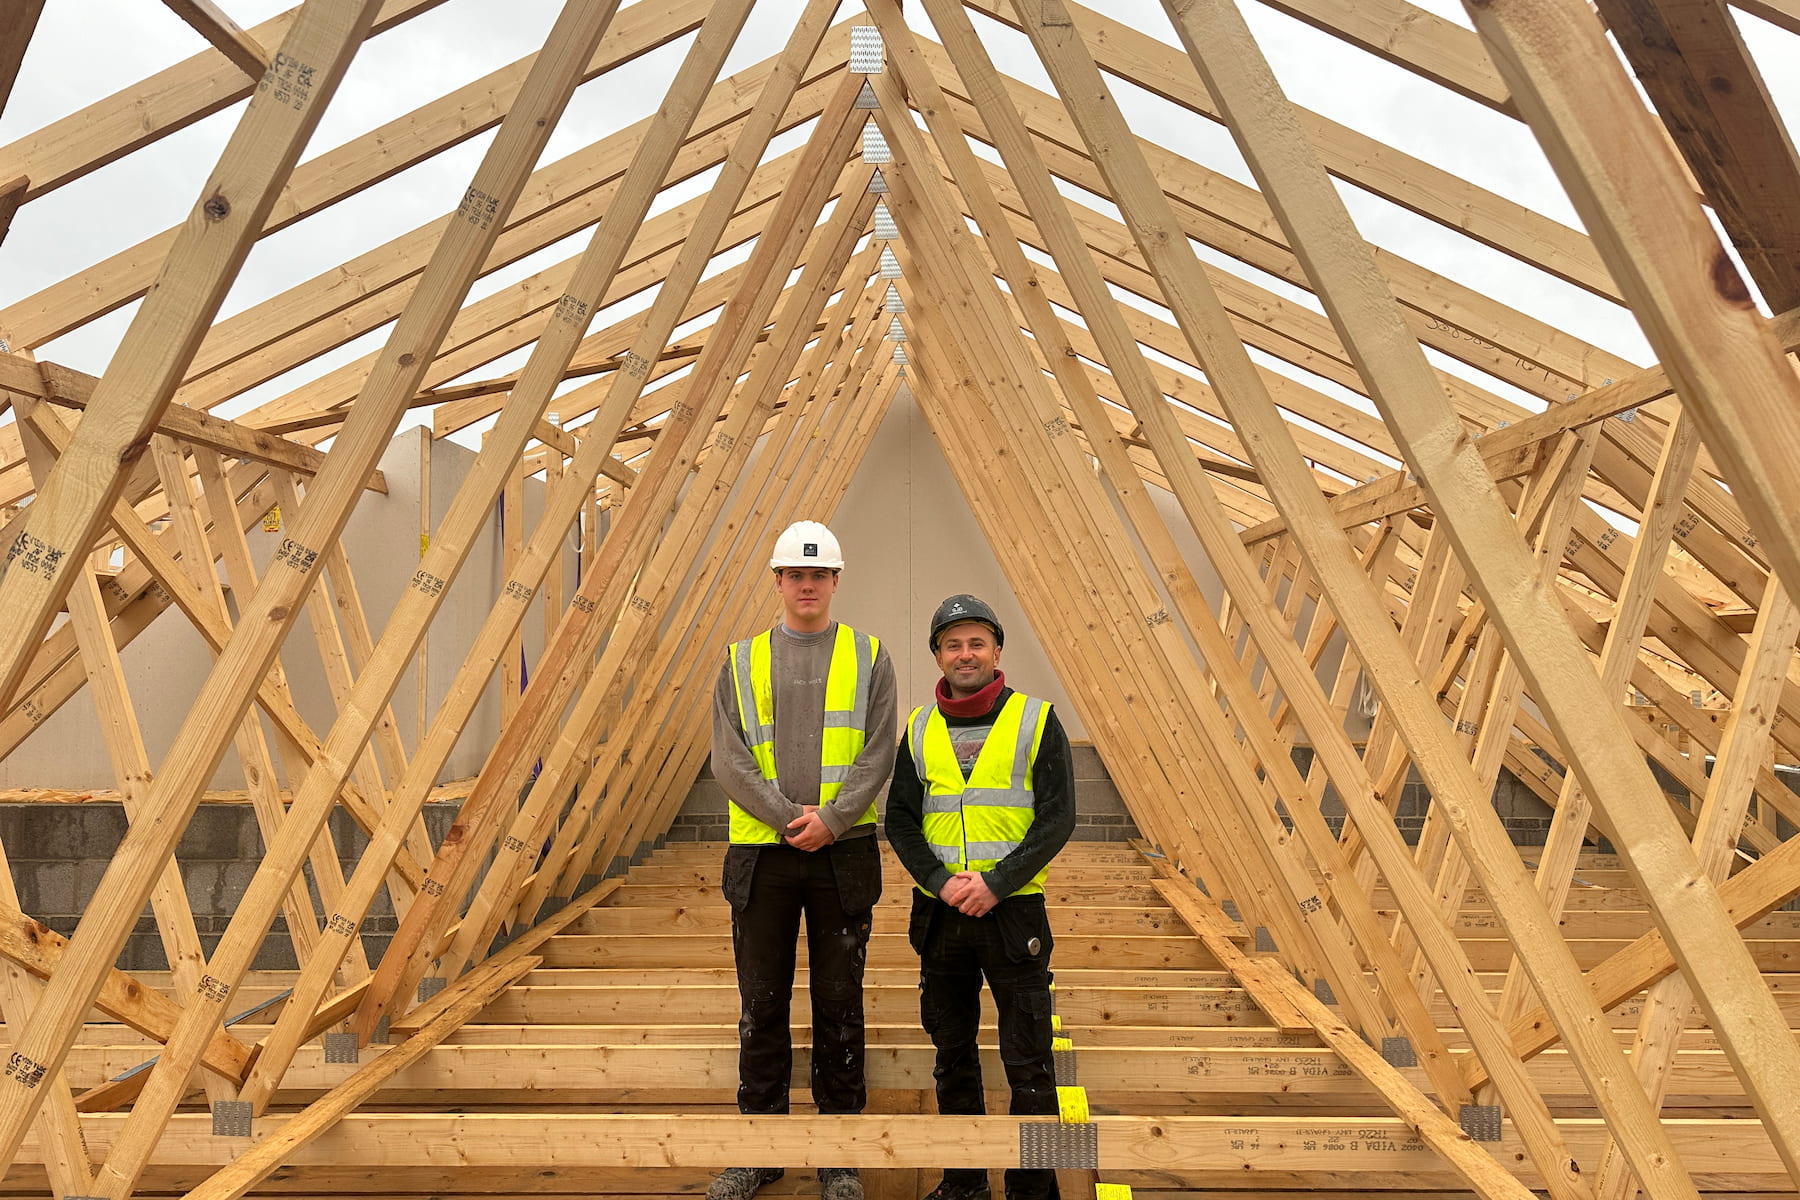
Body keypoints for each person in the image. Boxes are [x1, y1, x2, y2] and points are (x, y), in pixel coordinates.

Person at [707, 520, 897, 1200]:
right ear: (779, 581)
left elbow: (879, 751)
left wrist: (834, 819)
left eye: (818, 574)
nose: (807, 584)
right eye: (795, 574)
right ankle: (759, 1150)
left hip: (840, 856)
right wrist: (791, 819)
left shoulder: (871, 657)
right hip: (765, 857)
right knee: (762, 1005)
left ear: (836, 580)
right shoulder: (739, 660)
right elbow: (728, 758)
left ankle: (838, 1155)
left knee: (839, 1005)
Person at [885, 595, 1076, 1200]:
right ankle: (963, 1180)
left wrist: (996, 883)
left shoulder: (1037, 721)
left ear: (996, 651)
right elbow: (901, 822)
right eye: (952, 644)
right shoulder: (918, 728)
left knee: (1030, 1061)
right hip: (942, 916)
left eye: (976, 643)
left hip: (1013, 912)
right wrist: (942, 883)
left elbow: (1057, 818)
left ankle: (1033, 1189)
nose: (964, 655)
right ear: (938, 655)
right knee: (952, 1054)